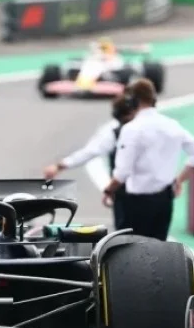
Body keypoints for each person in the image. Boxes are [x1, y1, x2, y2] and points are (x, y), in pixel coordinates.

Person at [102, 79, 194, 240]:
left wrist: (109, 190)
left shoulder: (132, 129)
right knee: (159, 249)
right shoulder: (172, 125)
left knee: (131, 251)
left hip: (136, 200)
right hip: (164, 198)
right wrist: (179, 180)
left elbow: (123, 172)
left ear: (132, 102)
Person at [43, 95, 138, 230]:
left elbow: (92, 151)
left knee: (128, 233)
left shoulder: (116, 133)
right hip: (157, 192)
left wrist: (60, 166)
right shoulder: (156, 128)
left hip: (127, 193)